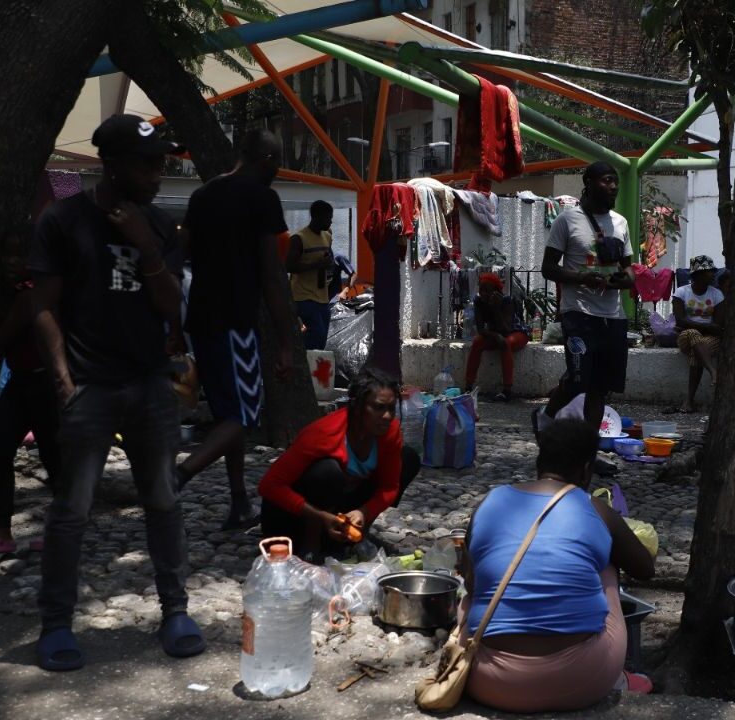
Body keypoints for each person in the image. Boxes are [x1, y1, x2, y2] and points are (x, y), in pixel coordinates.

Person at [29, 114, 202, 671]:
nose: (157, 175)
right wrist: (62, 377)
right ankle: (56, 623)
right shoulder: (63, 220)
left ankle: (175, 611)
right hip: (90, 385)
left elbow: (169, 305)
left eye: (161, 164)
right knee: (72, 510)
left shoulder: (159, 223)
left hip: (149, 381)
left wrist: (144, 246)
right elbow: (43, 305)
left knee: (164, 501)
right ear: (113, 165)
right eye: (147, 164)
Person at [458, 418, 655, 713]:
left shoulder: (490, 501)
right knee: (606, 566)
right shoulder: (596, 510)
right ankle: (619, 677)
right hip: (580, 680)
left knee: (470, 597)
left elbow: (472, 586)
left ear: (540, 460)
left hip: (488, 680)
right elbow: (645, 570)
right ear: (587, 469)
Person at [175, 130, 297, 530]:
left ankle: (239, 501)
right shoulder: (261, 198)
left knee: (229, 412)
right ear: (264, 158)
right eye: (277, 161)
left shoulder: (203, 195)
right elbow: (272, 275)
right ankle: (179, 475)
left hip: (200, 319)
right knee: (243, 416)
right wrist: (284, 341)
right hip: (234, 322)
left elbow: (183, 256)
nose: (277, 170)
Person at [0, 229, 61, 555]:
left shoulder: (33, 292)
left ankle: (65, 530)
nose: (11, 262)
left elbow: (5, 335)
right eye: (7, 255)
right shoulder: (17, 290)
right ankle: (1, 531)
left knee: (53, 457)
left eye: (20, 255)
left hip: (44, 384)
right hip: (21, 382)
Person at [258, 367, 420, 561]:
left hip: (336, 512)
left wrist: (363, 512)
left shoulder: (389, 432)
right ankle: (311, 546)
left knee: (408, 458)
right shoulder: (323, 433)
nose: (386, 416)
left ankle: (357, 535)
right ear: (358, 407)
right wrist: (320, 517)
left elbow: (389, 486)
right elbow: (269, 486)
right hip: (291, 520)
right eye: (378, 407)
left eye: (391, 409)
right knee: (328, 471)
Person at [533, 161, 635, 439]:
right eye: (606, 180)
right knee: (579, 381)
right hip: (578, 313)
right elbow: (548, 268)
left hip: (613, 316)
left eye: (615, 181)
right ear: (588, 183)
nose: (613, 186)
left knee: (600, 387)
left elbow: (628, 269)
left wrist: (624, 280)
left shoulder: (620, 222)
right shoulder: (566, 220)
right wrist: (582, 278)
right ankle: (545, 416)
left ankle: (588, 449)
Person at [671, 255, 724, 413]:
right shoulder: (681, 292)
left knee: (697, 350)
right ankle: (713, 371)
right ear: (698, 274)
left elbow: (719, 325)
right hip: (686, 337)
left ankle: (689, 402)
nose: (712, 275)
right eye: (708, 272)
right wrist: (706, 327)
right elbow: (680, 321)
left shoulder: (716, 294)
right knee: (693, 334)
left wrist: (692, 324)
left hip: (706, 340)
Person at [464, 272, 529, 402]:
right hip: (496, 334)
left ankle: (507, 390)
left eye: (487, 291)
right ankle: (468, 386)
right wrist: (495, 335)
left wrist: (496, 308)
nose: (483, 293)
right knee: (477, 342)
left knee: (506, 342)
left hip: (516, 333)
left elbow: (506, 329)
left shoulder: (506, 301)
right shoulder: (479, 301)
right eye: (481, 289)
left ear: (496, 292)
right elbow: (481, 329)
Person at [287, 200, 335, 350]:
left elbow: (328, 259)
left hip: (322, 296)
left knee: (322, 339)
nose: (330, 221)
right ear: (317, 217)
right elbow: (288, 266)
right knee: (316, 332)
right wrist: (317, 265)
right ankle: (300, 359)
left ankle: (314, 368)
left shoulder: (327, 236)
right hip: (303, 296)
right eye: (328, 217)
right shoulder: (298, 239)